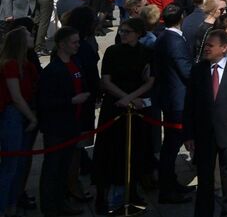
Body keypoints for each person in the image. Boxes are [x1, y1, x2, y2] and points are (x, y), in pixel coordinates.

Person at [184, 28, 227, 217]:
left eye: (210, 46)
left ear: (224, 48)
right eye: (205, 45)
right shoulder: (198, 69)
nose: (206, 49)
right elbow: (189, 104)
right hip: (204, 133)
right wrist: (188, 134)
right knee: (205, 177)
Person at [92, 19, 154, 212]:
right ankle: (103, 196)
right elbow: (106, 81)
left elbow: (150, 80)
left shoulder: (146, 53)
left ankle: (132, 191)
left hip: (134, 106)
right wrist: (125, 98)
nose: (123, 34)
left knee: (135, 149)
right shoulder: (112, 51)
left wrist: (132, 98)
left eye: (127, 32)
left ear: (137, 34)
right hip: (115, 106)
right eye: (122, 31)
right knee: (109, 151)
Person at [38, 27, 95, 217]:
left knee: (64, 167)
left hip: (73, 123)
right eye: (74, 42)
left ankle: (62, 202)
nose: (78, 45)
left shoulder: (76, 63)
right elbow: (44, 102)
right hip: (57, 127)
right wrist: (71, 101)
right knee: (53, 168)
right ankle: (50, 207)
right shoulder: (52, 70)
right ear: (62, 45)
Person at [151, 4, 192, 204]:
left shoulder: (164, 37)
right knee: (172, 146)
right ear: (181, 17)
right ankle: (167, 188)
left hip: (170, 97)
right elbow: (186, 70)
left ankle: (170, 182)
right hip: (177, 100)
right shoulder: (174, 41)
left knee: (171, 145)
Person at [0, 26, 40, 217]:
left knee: (19, 164)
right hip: (13, 115)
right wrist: (32, 117)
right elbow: (15, 97)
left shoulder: (25, 64)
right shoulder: (11, 65)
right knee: (11, 165)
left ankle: (11, 204)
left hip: (21, 114)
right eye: (28, 35)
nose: (32, 37)